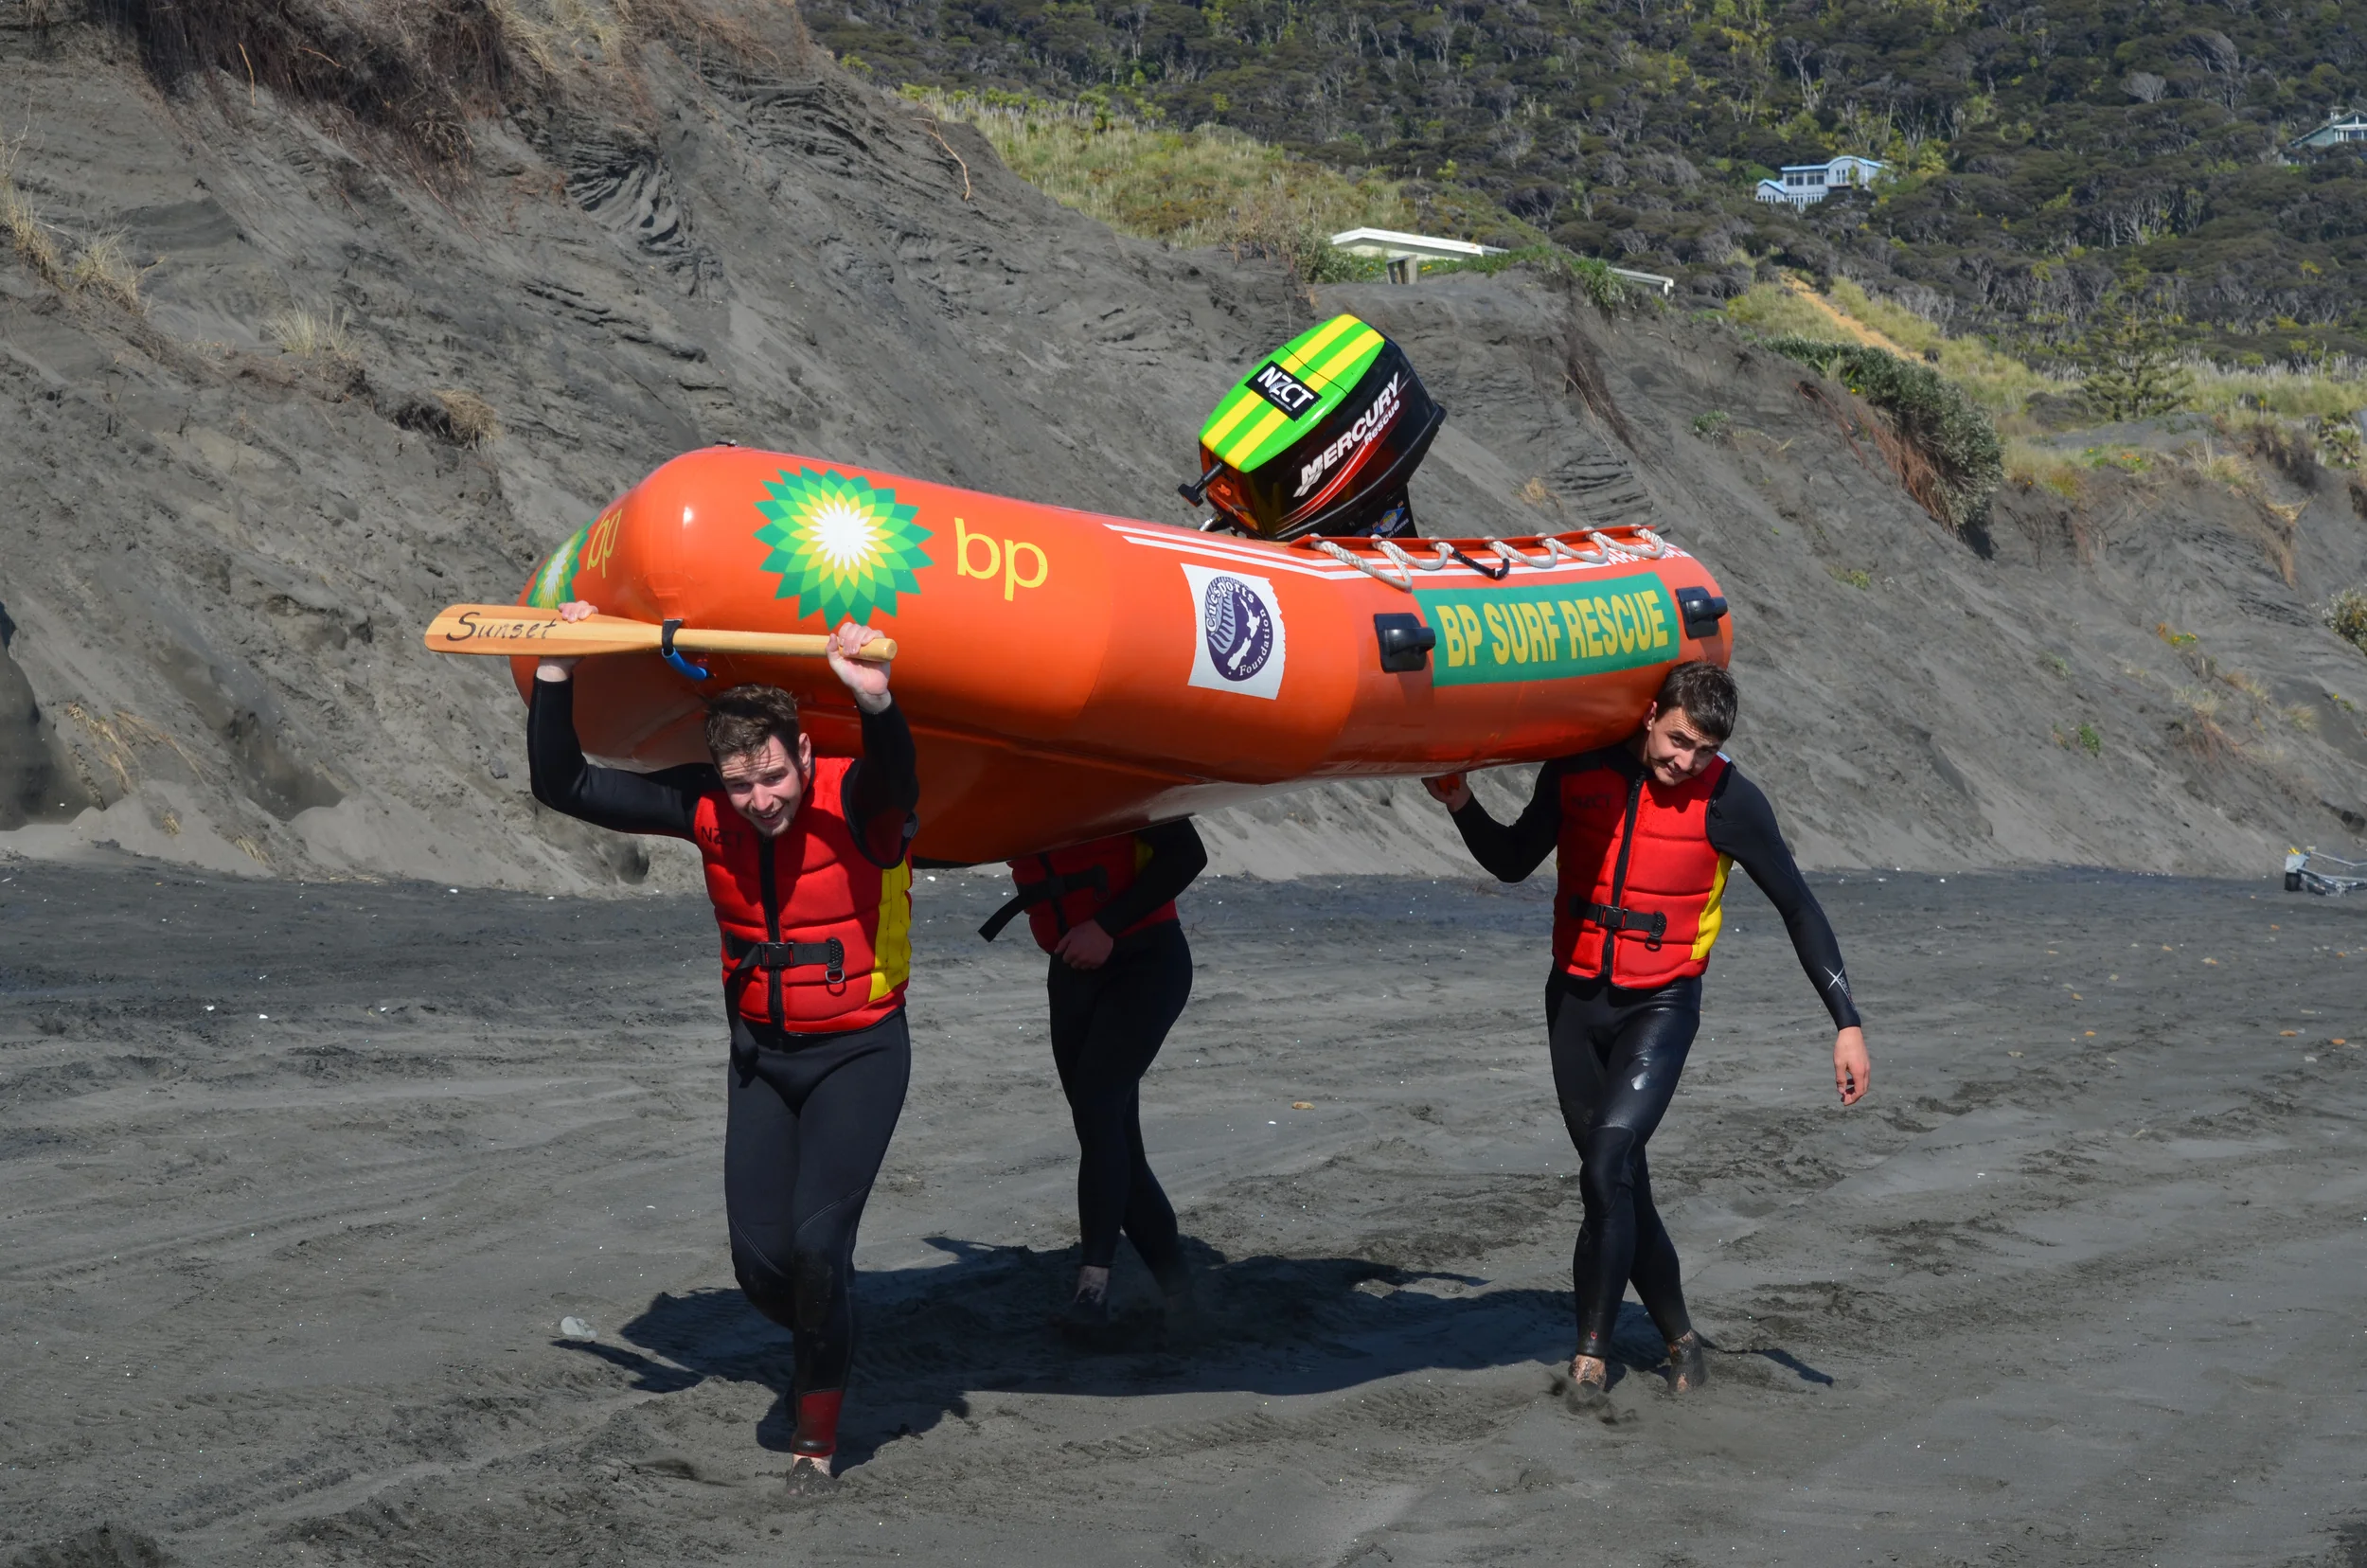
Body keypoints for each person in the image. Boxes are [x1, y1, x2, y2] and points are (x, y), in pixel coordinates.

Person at [528, 600, 917, 1487]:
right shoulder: (707, 806)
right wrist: (557, 673)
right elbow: (567, 785)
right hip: (761, 1060)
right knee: (763, 1270)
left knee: (820, 1253)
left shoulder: (859, 797)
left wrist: (875, 703)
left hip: (858, 1054)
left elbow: (898, 781)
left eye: (773, 778)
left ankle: (815, 1441)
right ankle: (826, 1330)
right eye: (741, 784)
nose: (760, 801)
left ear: (802, 754)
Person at [1423, 660, 1870, 1404]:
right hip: (1572, 1004)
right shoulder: (1578, 767)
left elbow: (1801, 908)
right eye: (1677, 740)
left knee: (1603, 1170)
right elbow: (1510, 861)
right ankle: (1681, 1340)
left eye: (1702, 750)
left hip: (1660, 1009)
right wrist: (1461, 801)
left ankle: (1590, 1356)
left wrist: (1846, 1024)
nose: (1683, 762)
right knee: (1623, 1184)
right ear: (1651, 712)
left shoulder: (1731, 803)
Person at [979, 822, 1208, 1335]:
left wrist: (1105, 924)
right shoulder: (1006, 792)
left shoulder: (1108, 769)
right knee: (1112, 1137)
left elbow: (1188, 854)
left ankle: (1092, 1290)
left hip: (1147, 959)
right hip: (1073, 969)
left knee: (1101, 1111)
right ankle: (1181, 1299)